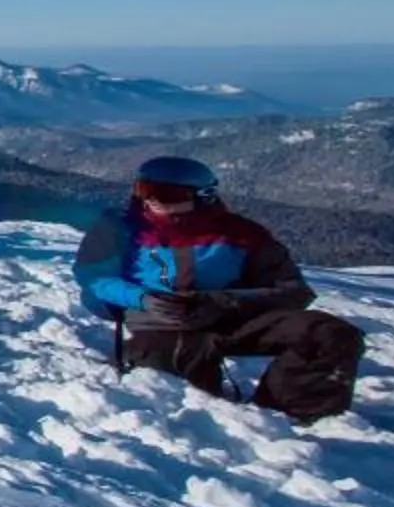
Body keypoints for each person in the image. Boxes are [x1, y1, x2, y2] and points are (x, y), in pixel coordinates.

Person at [72, 155, 365, 424]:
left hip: (230, 318)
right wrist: (143, 299)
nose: (152, 201)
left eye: (167, 194)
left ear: (202, 197)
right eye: (144, 189)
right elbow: (93, 277)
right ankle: (215, 422)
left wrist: (221, 302)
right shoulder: (121, 229)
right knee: (181, 382)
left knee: (329, 335)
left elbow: (293, 290)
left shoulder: (242, 235)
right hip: (161, 322)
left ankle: (297, 417)